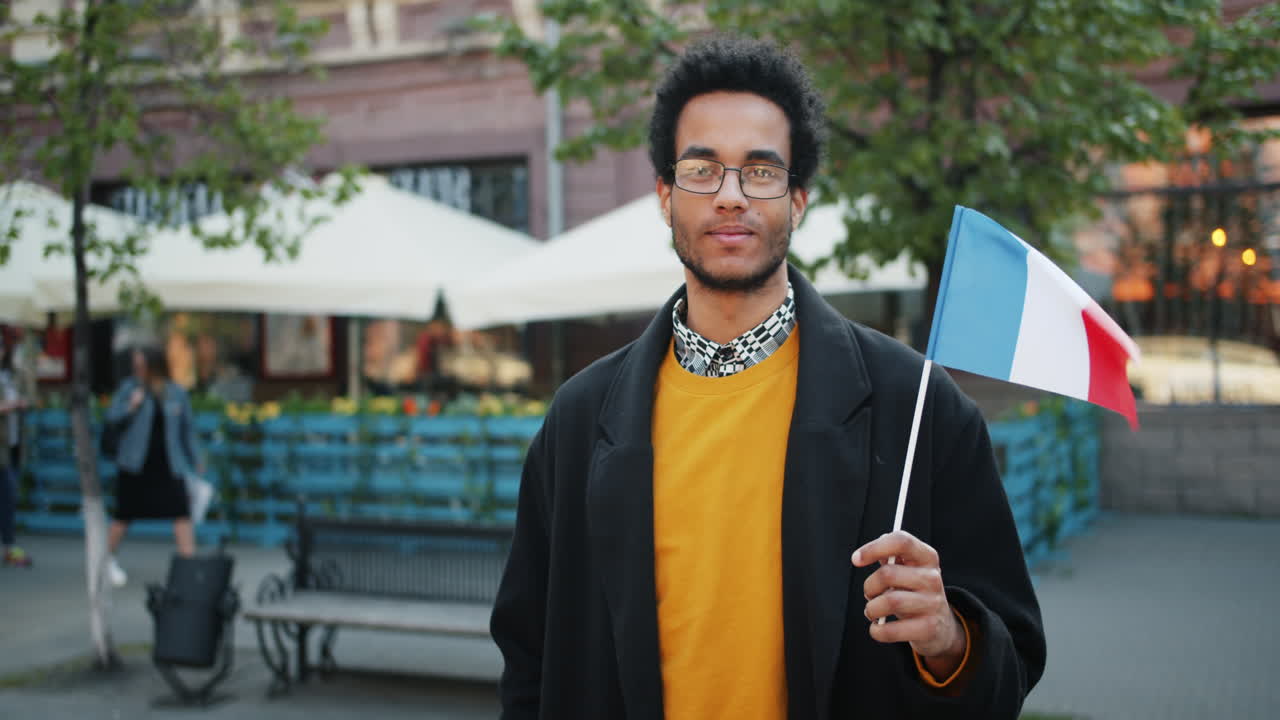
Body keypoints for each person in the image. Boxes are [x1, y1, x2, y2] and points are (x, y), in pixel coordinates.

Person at [490, 35, 1045, 719]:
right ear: (665, 196)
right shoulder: (578, 422)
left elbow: (1013, 662)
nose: (730, 196)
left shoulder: (918, 408)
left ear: (799, 199)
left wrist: (948, 639)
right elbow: (529, 658)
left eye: (759, 171)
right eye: (701, 171)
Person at [104, 346, 203, 586]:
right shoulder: (130, 389)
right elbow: (111, 419)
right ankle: (104, 560)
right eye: (135, 366)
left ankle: (188, 566)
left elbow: (186, 430)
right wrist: (131, 407)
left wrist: (195, 458)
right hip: (135, 464)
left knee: (181, 513)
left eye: (142, 365)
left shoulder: (176, 393)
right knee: (123, 515)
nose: (138, 370)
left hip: (168, 463)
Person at [1, 334, 32, 568]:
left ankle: (9, 546)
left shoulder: (12, 375)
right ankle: (9, 546)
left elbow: (30, 395)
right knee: (8, 492)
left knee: (9, 496)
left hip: (10, 444)